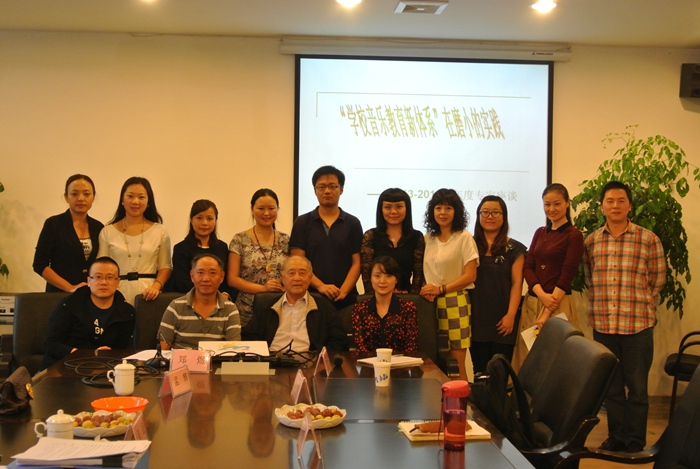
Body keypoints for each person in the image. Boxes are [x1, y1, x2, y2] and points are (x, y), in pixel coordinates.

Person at [583, 181, 665, 453]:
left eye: (621, 200)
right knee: (612, 389)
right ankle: (616, 437)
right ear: (602, 206)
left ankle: (635, 440)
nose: (615, 205)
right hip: (604, 326)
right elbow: (589, 278)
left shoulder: (648, 239)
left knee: (638, 389)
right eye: (610, 201)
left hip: (637, 326)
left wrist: (643, 304)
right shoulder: (591, 241)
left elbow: (657, 280)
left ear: (630, 205)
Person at [511, 183, 584, 372]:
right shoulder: (540, 232)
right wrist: (541, 294)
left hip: (558, 303)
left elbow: (567, 273)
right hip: (533, 302)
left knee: (556, 360)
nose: (551, 209)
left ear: (567, 203)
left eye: (557, 204)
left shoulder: (574, 235)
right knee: (527, 358)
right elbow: (528, 266)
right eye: (547, 204)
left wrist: (546, 310)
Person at [420, 189, 479, 381]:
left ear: (457, 211)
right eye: (438, 208)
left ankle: (461, 400)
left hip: (455, 302)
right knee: (431, 362)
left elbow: (471, 275)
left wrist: (441, 289)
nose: (443, 212)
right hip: (430, 303)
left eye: (448, 208)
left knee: (456, 364)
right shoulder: (427, 239)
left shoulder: (464, 237)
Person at [290, 166, 362, 310]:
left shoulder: (352, 223)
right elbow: (298, 262)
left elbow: (357, 262)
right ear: (315, 190)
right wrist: (321, 286)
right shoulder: (302, 222)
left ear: (341, 189)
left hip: (346, 298)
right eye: (321, 187)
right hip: (310, 296)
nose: (327, 191)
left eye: (332, 186)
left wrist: (344, 291)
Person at [42, 257, 135, 369]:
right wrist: (85, 355)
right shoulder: (69, 305)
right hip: (64, 367)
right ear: (88, 281)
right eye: (98, 277)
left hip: (105, 368)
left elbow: (122, 350)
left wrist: (109, 354)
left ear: (118, 282)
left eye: (109, 277)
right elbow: (51, 344)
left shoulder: (127, 313)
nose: (103, 282)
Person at [242, 255, 347, 352]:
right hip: (273, 360)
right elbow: (248, 337)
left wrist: (318, 357)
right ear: (283, 278)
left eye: (302, 273)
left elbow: (340, 341)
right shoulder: (267, 306)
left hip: (310, 361)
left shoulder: (324, 306)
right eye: (291, 273)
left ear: (310, 277)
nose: (297, 278)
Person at [469, 195, 526, 375]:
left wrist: (511, 315)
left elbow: (517, 284)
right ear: (478, 215)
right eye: (485, 212)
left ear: (504, 216)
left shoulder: (515, 249)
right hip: (475, 320)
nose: (490, 216)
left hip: (503, 320)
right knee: (479, 372)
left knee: (500, 373)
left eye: (495, 212)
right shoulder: (469, 245)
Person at [98, 177, 172, 305]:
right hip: (115, 294)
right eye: (130, 196)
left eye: (141, 197)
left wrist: (156, 287)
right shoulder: (107, 232)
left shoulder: (160, 231)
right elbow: (102, 267)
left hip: (149, 295)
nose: (135, 201)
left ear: (148, 201)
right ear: (122, 200)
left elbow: (165, 267)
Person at [227, 189, 289, 327]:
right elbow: (232, 279)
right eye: (261, 208)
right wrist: (264, 289)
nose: (266, 213)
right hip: (247, 312)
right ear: (252, 209)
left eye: (271, 208)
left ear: (277, 209)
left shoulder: (286, 240)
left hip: (281, 310)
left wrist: (286, 287)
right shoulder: (239, 239)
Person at [33, 174, 104, 292]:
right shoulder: (54, 224)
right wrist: (70, 288)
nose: (81, 198)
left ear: (93, 197)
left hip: (90, 294)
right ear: (66, 197)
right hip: (59, 294)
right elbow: (40, 264)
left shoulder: (98, 227)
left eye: (86, 194)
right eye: (74, 194)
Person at [159, 253, 241, 350]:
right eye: (200, 272)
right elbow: (164, 350)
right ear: (192, 276)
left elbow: (233, 349)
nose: (206, 279)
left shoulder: (230, 309)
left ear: (221, 277)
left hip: (216, 359)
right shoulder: (175, 307)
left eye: (212, 273)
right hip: (181, 359)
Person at [360, 188, 425, 294]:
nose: (393, 211)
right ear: (381, 209)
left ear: (407, 208)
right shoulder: (370, 236)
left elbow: (418, 274)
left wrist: (412, 298)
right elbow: (366, 274)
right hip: (377, 297)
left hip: (406, 296)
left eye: (399, 207)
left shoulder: (416, 237)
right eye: (387, 207)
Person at [169, 199, 235, 299]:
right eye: (199, 218)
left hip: (219, 301)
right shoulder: (181, 248)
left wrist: (225, 294)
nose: (204, 223)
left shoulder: (222, 247)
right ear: (191, 220)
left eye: (209, 218)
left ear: (215, 221)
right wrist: (209, 294)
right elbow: (181, 282)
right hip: (190, 299)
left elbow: (225, 278)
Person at [352, 256, 418, 354]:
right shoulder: (360, 309)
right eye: (377, 276)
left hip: (401, 362)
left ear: (396, 279)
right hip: (368, 362)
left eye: (389, 276)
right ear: (370, 278)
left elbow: (411, 347)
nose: (382, 281)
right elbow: (360, 347)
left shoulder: (408, 308)